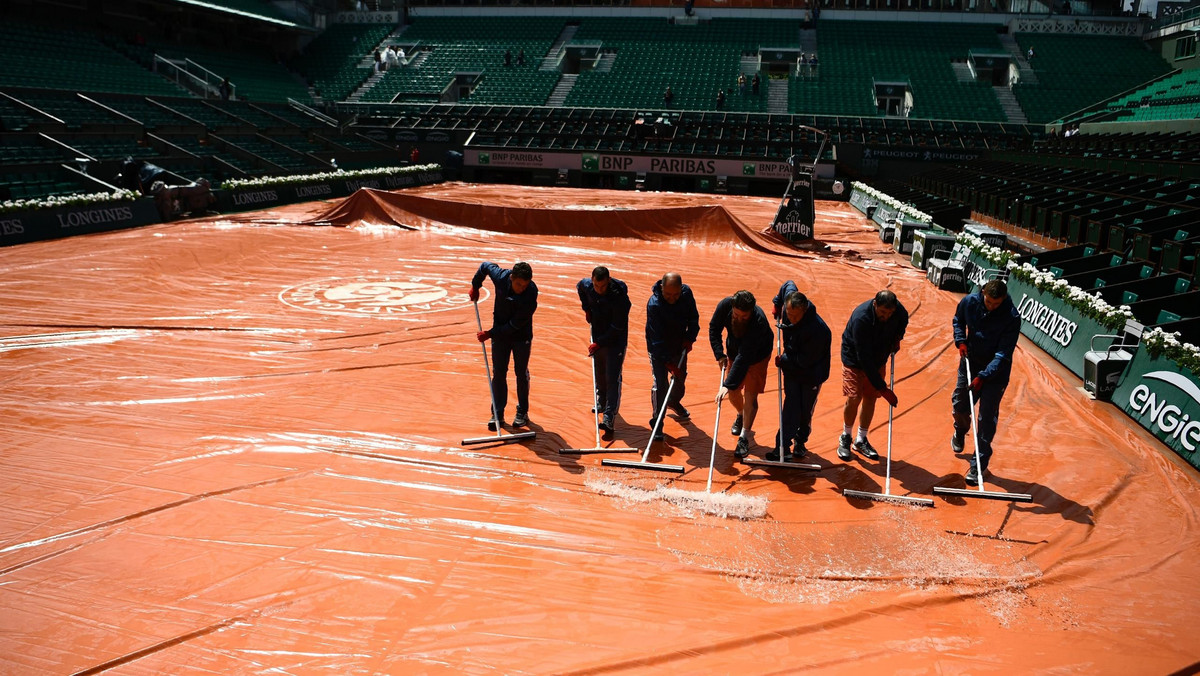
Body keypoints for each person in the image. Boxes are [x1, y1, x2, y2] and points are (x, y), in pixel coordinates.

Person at [951, 279, 1021, 483]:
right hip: (970, 361)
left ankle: (978, 465)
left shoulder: (1011, 317)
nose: (991, 306)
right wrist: (960, 340)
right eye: (989, 302)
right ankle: (960, 429)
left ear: (1004, 299)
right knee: (961, 404)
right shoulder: (970, 302)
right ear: (983, 293)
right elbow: (958, 320)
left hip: (995, 374)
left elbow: (1002, 354)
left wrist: (984, 376)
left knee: (986, 419)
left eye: (996, 304)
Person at [837, 290, 908, 461]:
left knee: (870, 397)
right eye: (883, 312)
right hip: (855, 358)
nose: (887, 316)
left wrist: (898, 337)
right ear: (875, 304)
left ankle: (861, 440)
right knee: (854, 397)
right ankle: (846, 436)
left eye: (890, 313)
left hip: (879, 356)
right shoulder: (862, 318)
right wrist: (882, 388)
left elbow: (903, 319)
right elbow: (864, 358)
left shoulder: (898, 311)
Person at [470, 262, 538, 430]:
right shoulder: (500, 277)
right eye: (518, 284)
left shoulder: (531, 293)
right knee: (499, 373)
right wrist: (475, 285)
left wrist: (490, 334)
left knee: (520, 373)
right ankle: (497, 412)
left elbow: (514, 325)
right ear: (511, 277)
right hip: (500, 335)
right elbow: (485, 266)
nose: (521, 288)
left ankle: (522, 411)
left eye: (525, 285)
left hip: (520, 336)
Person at [710, 290, 775, 459]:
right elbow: (714, 328)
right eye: (737, 315)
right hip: (734, 350)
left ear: (751, 312)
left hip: (757, 355)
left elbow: (745, 356)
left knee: (750, 395)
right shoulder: (725, 305)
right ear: (732, 308)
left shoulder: (758, 322)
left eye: (744, 316)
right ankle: (741, 414)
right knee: (733, 392)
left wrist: (727, 383)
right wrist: (719, 354)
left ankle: (744, 437)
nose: (740, 319)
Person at [771, 281, 831, 461]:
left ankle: (800, 440)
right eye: (788, 314)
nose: (791, 319)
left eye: (795, 317)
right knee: (791, 406)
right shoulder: (789, 305)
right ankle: (782, 446)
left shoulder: (818, 330)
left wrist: (783, 360)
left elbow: (804, 361)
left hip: (811, 373)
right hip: (791, 369)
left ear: (804, 311)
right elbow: (788, 284)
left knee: (804, 411)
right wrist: (777, 303)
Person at [578, 266, 631, 440]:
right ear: (592, 280)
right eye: (596, 286)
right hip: (598, 333)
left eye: (602, 287)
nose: (599, 290)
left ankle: (609, 417)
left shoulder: (619, 298)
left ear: (608, 281)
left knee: (612, 376)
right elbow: (579, 286)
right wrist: (587, 308)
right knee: (599, 371)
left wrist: (598, 343)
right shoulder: (587, 285)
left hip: (615, 340)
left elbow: (618, 327)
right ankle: (601, 401)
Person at [646, 272, 700, 441]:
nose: (672, 298)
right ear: (661, 288)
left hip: (678, 345)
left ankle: (674, 401)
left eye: (676, 294)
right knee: (661, 385)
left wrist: (690, 338)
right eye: (668, 294)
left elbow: (693, 318)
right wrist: (667, 362)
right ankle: (657, 422)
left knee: (680, 378)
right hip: (658, 349)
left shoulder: (686, 294)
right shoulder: (654, 304)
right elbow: (656, 339)